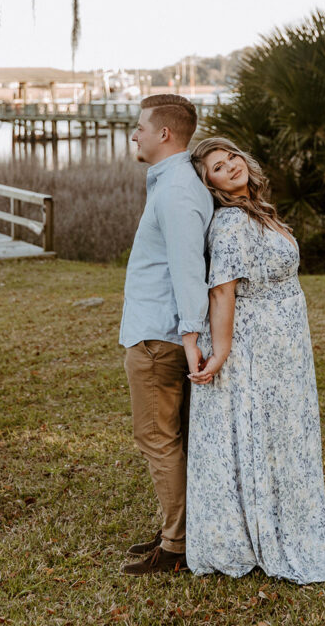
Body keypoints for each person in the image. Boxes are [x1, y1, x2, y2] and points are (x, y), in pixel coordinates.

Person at [186, 137, 325, 584]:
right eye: (218, 166)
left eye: (232, 156)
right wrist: (220, 353)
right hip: (256, 349)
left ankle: (290, 519)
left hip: (285, 348)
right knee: (265, 434)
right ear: (210, 183)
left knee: (287, 434)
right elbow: (222, 291)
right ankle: (258, 532)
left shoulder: (258, 210)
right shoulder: (232, 222)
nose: (231, 166)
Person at [119, 95, 213, 575]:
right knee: (170, 438)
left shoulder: (176, 189)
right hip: (158, 331)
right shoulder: (174, 183)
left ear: (164, 134)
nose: (133, 134)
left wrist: (190, 333)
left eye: (139, 127)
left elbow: (186, 269)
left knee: (156, 438)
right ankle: (177, 530)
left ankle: (177, 546)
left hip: (159, 338)